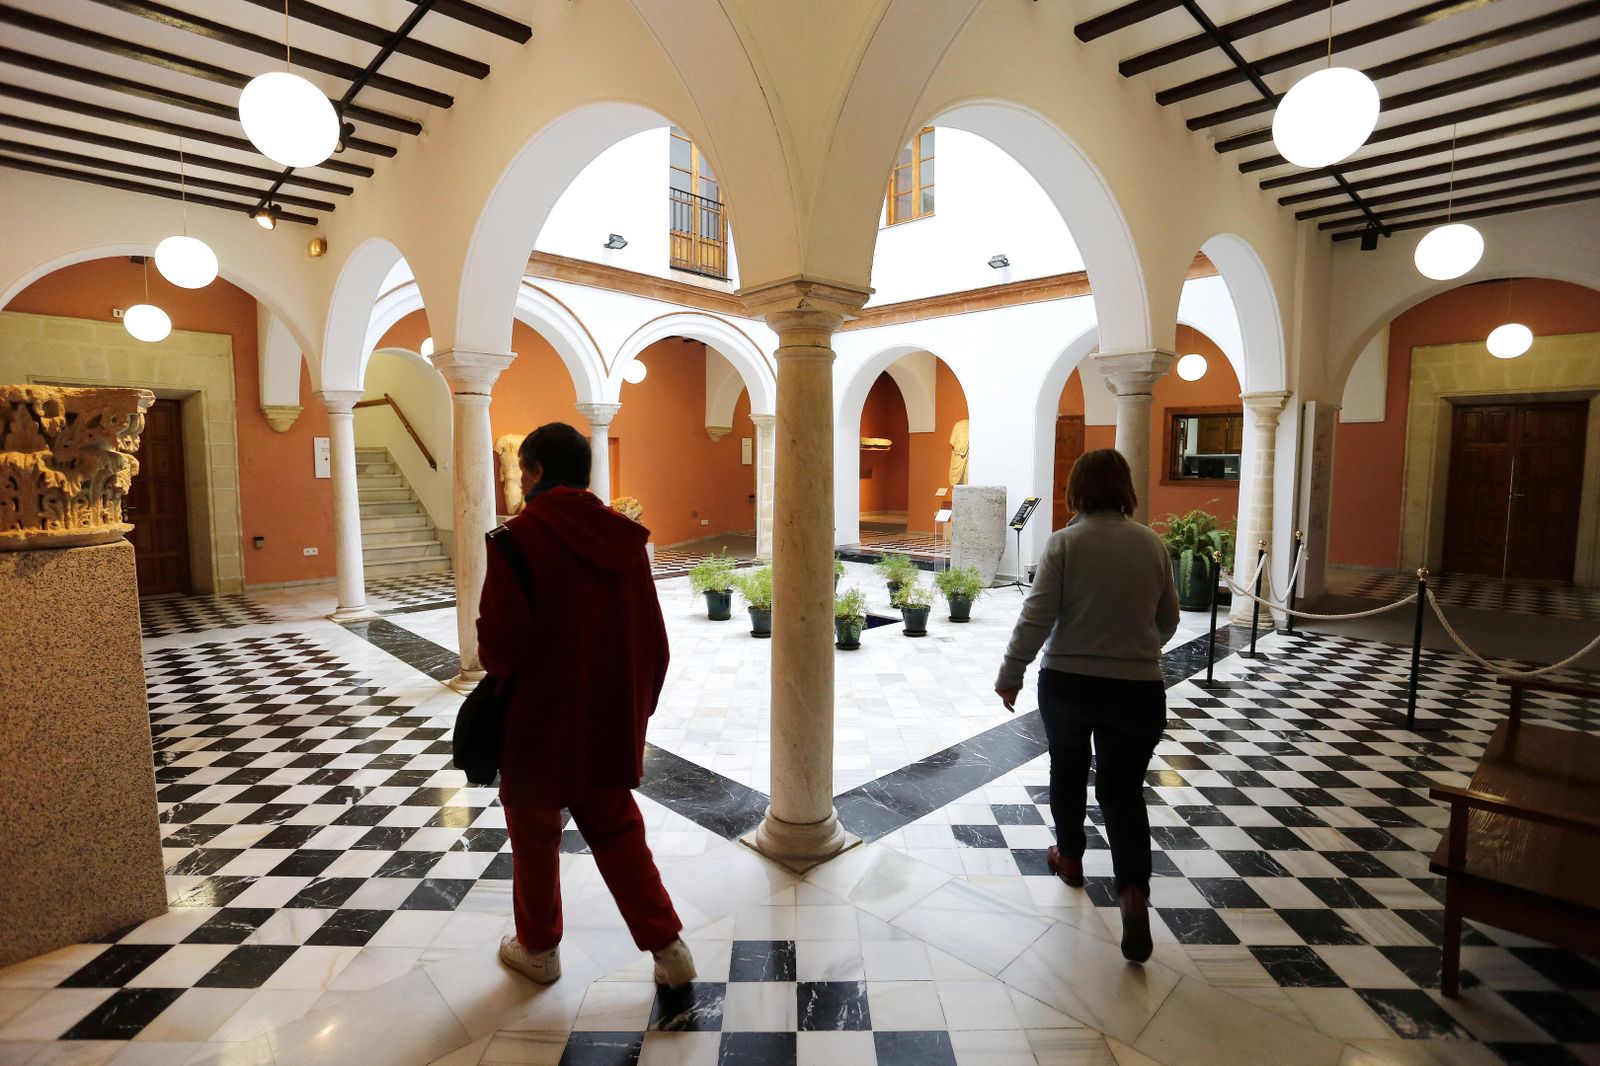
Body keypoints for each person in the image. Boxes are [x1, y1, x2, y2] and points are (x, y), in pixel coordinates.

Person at [476, 421, 696, 988]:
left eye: (522, 469)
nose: (519, 480)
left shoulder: (513, 540)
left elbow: (499, 651)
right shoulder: (625, 539)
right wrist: (633, 715)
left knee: (533, 835)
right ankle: (671, 954)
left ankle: (539, 951)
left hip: (535, 724)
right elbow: (657, 646)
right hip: (604, 721)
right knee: (619, 832)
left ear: (537, 471)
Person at [995, 449, 1179, 963]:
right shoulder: (1151, 545)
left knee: (1069, 772)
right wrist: (1138, 649)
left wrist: (1011, 674)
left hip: (1069, 684)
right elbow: (1169, 618)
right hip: (1138, 690)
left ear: (1076, 489)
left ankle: (1071, 859)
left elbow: (1036, 617)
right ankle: (1133, 892)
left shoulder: (1064, 544)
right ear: (1125, 488)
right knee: (1123, 793)